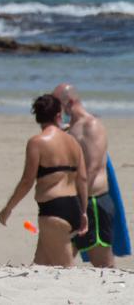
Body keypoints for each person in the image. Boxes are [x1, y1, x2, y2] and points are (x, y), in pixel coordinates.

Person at [0, 94, 89, 267]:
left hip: (53, 211)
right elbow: (82, 179)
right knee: (40, 266)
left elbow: (27, 181)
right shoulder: (73, 142)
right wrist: (84, 212)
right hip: (74, 207)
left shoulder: (37, 142)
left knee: (66, 270)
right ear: (58, 115)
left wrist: (8, 208)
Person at [54, 83, 116, 267]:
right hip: (74, 200)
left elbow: (92, 168)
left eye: (57, 104)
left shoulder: (92, 125)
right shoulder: (68, 128)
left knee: (103, 266)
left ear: (70, 102)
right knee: (58, 259)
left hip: (92, 202)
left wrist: (78, 205)